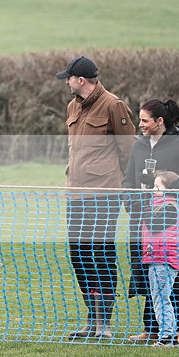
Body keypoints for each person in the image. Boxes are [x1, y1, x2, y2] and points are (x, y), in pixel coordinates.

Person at [57, 55, 135, 339]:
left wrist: (127, 190)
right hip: (75, 194)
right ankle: (92, 318)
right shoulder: (72, 106)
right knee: (78, 255)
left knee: (101, 255)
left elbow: (128, 152)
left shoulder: (114, 105)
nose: (65, 82)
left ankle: (105, 323)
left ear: (81, 80)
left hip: (104, 194)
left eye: (68, 77)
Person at [123, 99, 179, 344]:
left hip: (172, 223)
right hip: (142, 221)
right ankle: (153, 328)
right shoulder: (139, 146)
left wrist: (169, 180)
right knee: (146, 273)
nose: (140, 124)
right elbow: (128, 178)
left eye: (145, 120)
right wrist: (131, 201)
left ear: (160, 122)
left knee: (178, 274)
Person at [140, 171, 179, 346]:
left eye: (157, 187)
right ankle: (169, 335)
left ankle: (167, 337)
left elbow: (153, 224)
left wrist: (143, 205)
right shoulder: (157, 204)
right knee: (158, 298)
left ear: (169, 190)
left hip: (164, 261)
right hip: (154, 258)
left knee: (162, 299)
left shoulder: (170, 207)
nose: (153, 190)